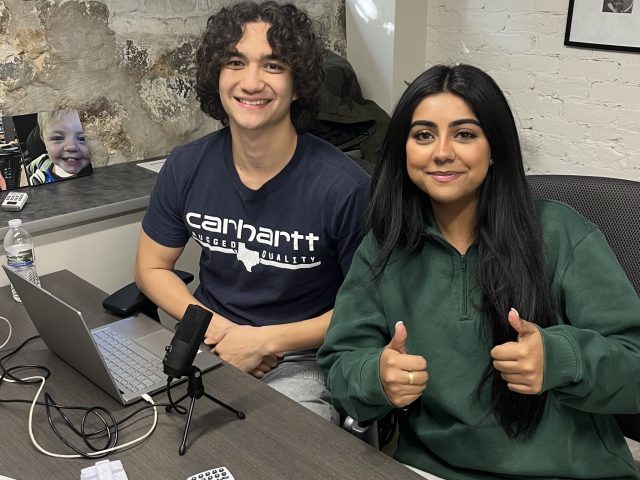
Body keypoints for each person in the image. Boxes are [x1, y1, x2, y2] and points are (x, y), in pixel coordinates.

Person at [317, 64, 640, 479]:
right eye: (424, 135)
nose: (442, 152)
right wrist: (375, 377)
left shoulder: (561, 234)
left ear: (495, 149)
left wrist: (564, 359)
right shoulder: (384, 245)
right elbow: (342, 363)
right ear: (404, 149)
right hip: (434, 470)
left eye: (465, 134)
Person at [134, 1, 369, 424]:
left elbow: (368, 308)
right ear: (217, 76)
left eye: (273, 65)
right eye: (236, 62)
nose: (251, 82)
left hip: (301, 358)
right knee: (144, 429)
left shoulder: (344, 187)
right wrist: (217, 331)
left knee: (275, 453)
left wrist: (265, 342)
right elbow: (151, 267)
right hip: (207, 338)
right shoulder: (187, 165)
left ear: (298, 85)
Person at [26, 108, 92, 185]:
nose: (71, 147)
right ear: (44, 140)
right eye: (58, 138)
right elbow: (27, 170)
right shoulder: (42, 160)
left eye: (82, 138)